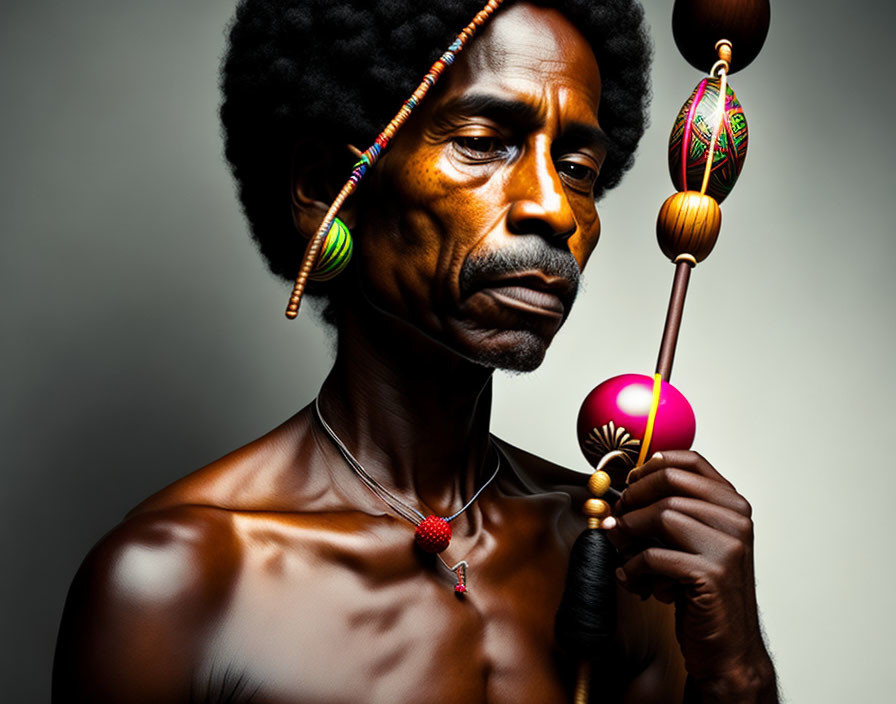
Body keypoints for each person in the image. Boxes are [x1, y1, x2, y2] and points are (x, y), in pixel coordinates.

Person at [53, 1, 779, 701]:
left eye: (578, 169)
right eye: (482, 141)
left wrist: (737, 672)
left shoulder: (622, 563)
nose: (555, 208)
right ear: (325, 188)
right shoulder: (176, 584)